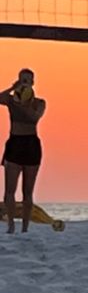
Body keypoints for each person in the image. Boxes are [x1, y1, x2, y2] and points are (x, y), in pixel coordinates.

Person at [1, 68, 46, 233]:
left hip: (31, 145)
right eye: (22, 80)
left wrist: (24, 101)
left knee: (27, 191)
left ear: (33, 83)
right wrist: (13, 89)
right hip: (15, 143)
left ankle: (25, 227)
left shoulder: (39, 102)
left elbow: (33, 118)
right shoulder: (11, 100)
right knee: (9, 190)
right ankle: (11, 224)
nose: (25, 83)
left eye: (28, 80)